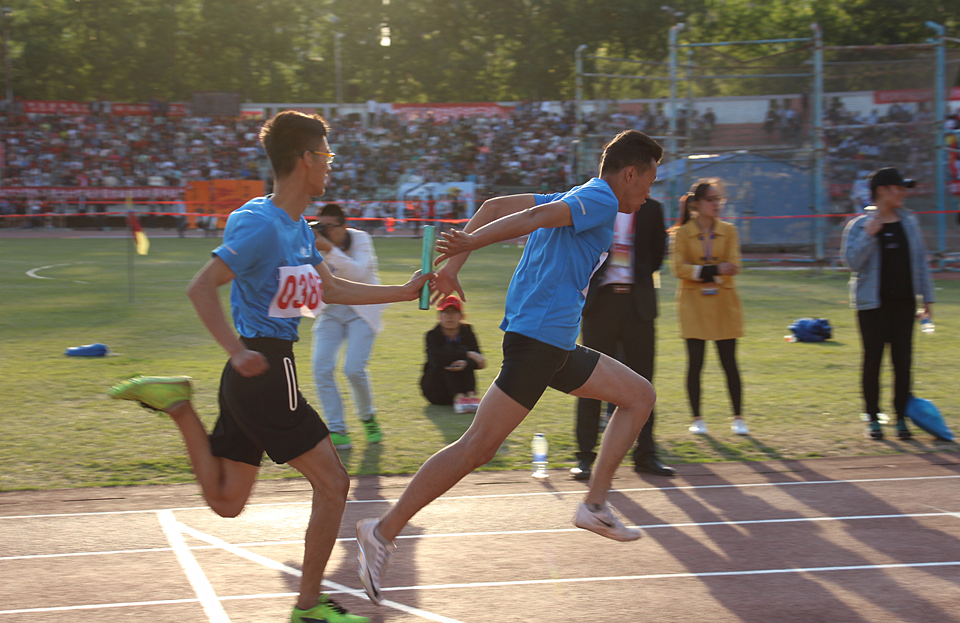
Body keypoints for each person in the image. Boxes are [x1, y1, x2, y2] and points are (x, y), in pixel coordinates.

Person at [109, 110, 431, 623]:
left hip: (253, 376)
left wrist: (403, 291)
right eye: (327, 156)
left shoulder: (297, 227)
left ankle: (179, 407)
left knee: (227, 501)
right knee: (334, 484)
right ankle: (309, 608)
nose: (330, 166)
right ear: (305, 159)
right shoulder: (261, 223)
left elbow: (331, 289)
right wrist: (236, 351)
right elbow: (201, 287)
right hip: (263, 368)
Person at [354, 129, 662, 607]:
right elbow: (529, 218)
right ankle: (382, 530)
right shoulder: (600, 198)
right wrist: (470, 242)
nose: (647, 195)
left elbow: (495, 205)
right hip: (539, 342)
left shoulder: (576, 195)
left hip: (554, 345)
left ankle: (595, 504)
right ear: (629, 173)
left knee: (639, 396)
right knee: (477, 446)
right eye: (649, 182)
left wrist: (453, 265)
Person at [571, 196, 673, 480]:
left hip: (638, 305)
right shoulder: (594, 203)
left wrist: (637, 271)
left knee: (643, 382)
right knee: (590, 380)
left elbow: (658, 252)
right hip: (601, 304)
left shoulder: (652, 208)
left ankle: (645, 454)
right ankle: (585, 456)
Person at [841, 167, 934, 440]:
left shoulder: (910, 223)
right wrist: (869, 234)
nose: (903, 193)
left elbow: (920, 262)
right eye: (898, 188)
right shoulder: (858, 225)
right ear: (882, 191)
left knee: (903, 362)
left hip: (904, 304)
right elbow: (852, 263)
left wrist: (927, 299)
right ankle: (873, 418)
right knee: (873, 362)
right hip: (872, 306)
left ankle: (901, 418)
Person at [671, 178, 748, 436]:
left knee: (730, 363)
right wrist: (714, 270)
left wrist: (701, 272)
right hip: (693, 306)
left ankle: (738, 418)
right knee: (695, 363)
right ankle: (697, 418)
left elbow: (734, 266)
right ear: (696, 204)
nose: (717, 204)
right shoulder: (682, 233)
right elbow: (678, 269)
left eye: (719, 200)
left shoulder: (729, 231)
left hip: (725, 304)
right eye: (711, 200)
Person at [310, 202, 386, 450]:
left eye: (330, 227)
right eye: (321, 226)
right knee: (321, 368)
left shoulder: (360, 239)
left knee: (353, 369)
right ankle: (337, 429)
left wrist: (328, 249)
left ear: (344, 226)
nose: (324, 231)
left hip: (362, 310)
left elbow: (359, 273)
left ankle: (367, 417)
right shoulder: (316, 244)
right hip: (331, 311)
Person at [420, 294, 486, 413]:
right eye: (446, 312)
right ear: (440, 316)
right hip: (437, 390)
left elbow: (479, 362)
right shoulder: (432, 335)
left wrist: (466, 362)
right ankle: (459, 397)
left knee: (463, 361)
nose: (450, 316)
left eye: (454, 312)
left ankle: (470, 397)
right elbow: (435, 359)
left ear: (461, 316)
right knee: (446, 356)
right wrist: (467, 354)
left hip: (464, 387)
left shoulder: (467, 332)